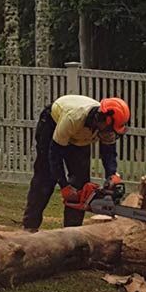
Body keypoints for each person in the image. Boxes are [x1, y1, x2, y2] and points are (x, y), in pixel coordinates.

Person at [22, 94, 130, 231]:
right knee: (45, 177)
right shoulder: (73, 118)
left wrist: (112, 174)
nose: (110, 134)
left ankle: (72, 232)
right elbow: (54, 155)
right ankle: (30, 226)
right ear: (103, 119)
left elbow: (109, 152)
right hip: (52, 125)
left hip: (79, 138)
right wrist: (64, 185)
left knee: (81, 183)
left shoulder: (106, 125)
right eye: (110, 130)